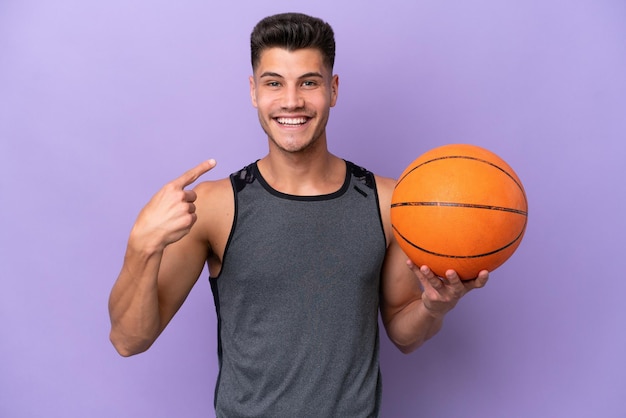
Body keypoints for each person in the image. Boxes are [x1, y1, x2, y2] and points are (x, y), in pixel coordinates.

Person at [108, 12, 489, 417]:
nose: (292, 101)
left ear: (334, 89)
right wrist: (141, 245)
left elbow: (403, 333)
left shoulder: (387, 201)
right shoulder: (214, 207)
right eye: (274, 83)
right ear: (254, 91)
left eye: (309, 82)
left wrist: (434, 307)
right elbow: (129, 340)